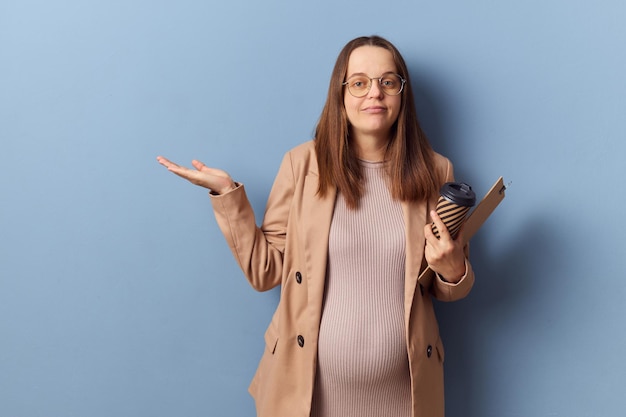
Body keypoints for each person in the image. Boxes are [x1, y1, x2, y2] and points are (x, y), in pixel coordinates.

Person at [157, 35, 474, 417]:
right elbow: (265, 271)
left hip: (404, 397)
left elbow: (449, 287)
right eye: (359, 83)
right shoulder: (302, 165)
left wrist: (453, 269)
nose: (375, 93)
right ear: (340, 94)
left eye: (388, 82)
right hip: (308, 395)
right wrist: (229, 196)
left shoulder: (436, 171)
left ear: (401, 94)